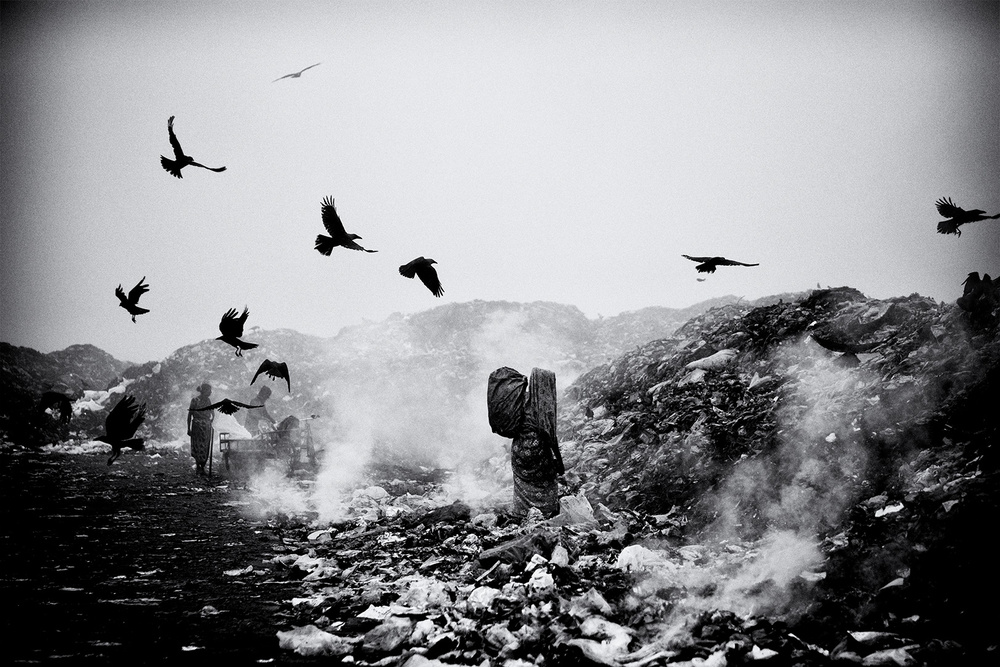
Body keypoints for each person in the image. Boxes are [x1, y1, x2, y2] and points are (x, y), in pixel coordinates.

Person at [488, 367, 564, 519]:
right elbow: (550, 435)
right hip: (539, 452)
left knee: (522, 483)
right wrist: (559, 461)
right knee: (546, 480)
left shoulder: (521, 399)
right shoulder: (543, 406)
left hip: (519, 451)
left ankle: (522, 514)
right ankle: (546, 513)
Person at [187, 383, 214, 475]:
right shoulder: (195, 400)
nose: (210, 392)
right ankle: (199, 466)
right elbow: (190, 415)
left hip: (206, 427)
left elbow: (212, 413)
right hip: (197, 426)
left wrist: (210, 421)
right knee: (198, 446)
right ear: (205, 391)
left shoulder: (208, 400)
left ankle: (202, 467)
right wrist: (188, 428)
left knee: (205, 446)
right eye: (209, 390)